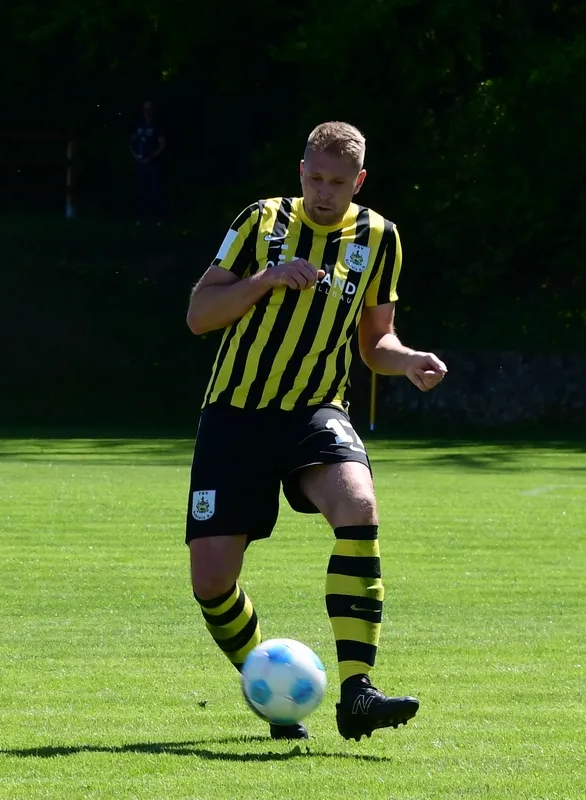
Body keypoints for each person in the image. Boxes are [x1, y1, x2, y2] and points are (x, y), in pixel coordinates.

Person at [183, 121, 447, 741]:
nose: (324, 193)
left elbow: (376, 341)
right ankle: (273, 688)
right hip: (236, 414)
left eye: (338, 182)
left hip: (315, 410)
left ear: (359, 181)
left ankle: (357, 691)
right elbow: (199, 315)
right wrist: (266, 279)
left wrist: (408, 360)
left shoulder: (380, 237)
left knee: (359, 504)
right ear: (301, 170)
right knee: (212, 581)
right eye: (316, 178)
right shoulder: (261, 222)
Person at [129, 100, 166, 225]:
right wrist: (135, 154)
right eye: (145, 110)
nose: (147, 112)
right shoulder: (139, 124)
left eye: (149, 110)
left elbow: (162, 144)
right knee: (140, 191)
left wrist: (151, 156)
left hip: (152, 163)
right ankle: (140, 218)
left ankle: (159, 219)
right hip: (140, 163)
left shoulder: (156, 125)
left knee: (155, 191)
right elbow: (131, 141)